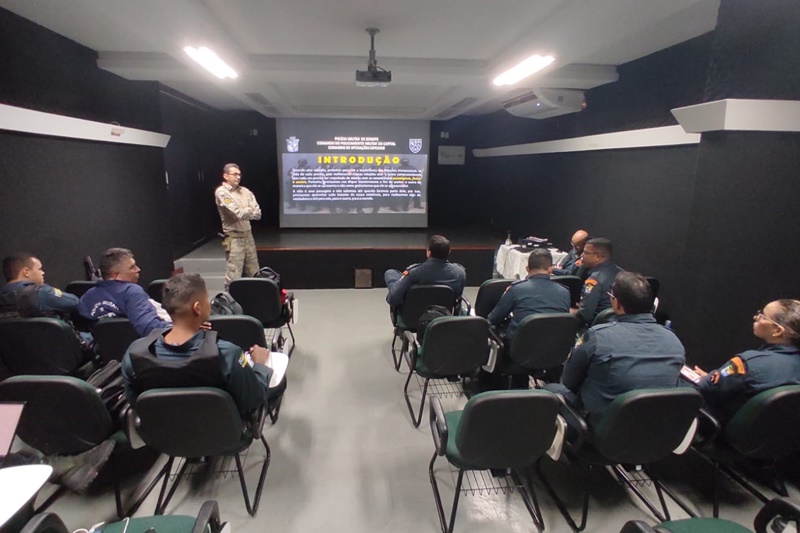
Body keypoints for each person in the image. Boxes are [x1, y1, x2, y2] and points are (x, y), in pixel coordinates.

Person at [121, 273, 284, 416]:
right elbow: (252, 399)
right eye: (207, 298)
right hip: (222, 434)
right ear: (197, 308)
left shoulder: (135, 353)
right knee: (278, 382)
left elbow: (136, 401)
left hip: (165, 436)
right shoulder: (226, 353)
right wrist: (261, 365)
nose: (210, 303)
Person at [548, 272, 685, 422]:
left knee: (549, 391)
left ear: (617, 303)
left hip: (602, 427)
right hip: (654, 426)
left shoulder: (597, 337)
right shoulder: (674, 340)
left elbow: (569, 382)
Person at [693, 300, 800, 425]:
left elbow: (704, 390)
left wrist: (711, 379)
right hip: (767, 437)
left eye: (762, 316)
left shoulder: (748, 365)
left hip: (715, 428)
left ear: (777, 331)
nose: (756, 317)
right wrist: (717, 378)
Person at [78, 248, 170, 336]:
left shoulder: (86, 297)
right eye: (132, 267)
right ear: (116, 275)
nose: (138, 269)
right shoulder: (132, 292)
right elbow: (150, 328)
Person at [487, 249, 571, 339]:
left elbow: (494, 319)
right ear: (550, 269)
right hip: (555, 345)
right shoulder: (565, 292)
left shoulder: (516, 289)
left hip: (520, 347)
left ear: (527, 269)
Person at [384, 235, 466, 307]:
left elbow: (393, 299)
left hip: (413, 317)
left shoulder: (414, 273)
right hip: (446, 315)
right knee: (391, 273)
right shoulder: (460, 273)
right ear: (449, 252)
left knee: (391, 275)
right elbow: (458, 297)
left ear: (429, 253)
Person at [215, 163, 262, 290]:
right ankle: (230, 304)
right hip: (234, 239)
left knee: (254, 273)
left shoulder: (245, 191)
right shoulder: (222, 192)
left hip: (248, 236)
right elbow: (237, 213)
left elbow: (258, 214)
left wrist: (244, 211)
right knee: (234, 276)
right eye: (235, 174)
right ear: (226, 176)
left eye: (239, 174)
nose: (238, 177)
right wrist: (247, 210)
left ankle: (254, 303)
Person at [1, 253, 80, 321]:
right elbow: (76, 303)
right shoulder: (41, 292)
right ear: (26, 272)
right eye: (39, 269)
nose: (43, 272)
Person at [572, 237, 623, 328]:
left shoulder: (594, 280)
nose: (582, 255)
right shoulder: (622, 273)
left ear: (598, 257)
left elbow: (585, 315)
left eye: (586, 252)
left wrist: (571, 312)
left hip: (598, 328)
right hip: (620, 324)